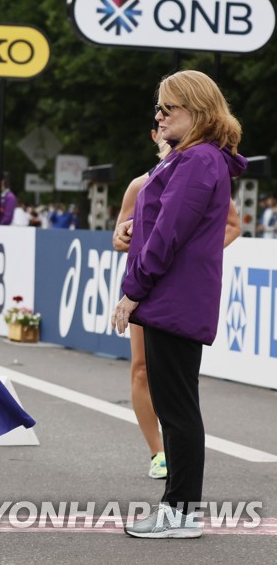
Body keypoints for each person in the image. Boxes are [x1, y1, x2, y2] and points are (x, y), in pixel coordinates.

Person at [113, 70, 246, 539]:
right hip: (172, 297)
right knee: (175, 407)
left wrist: (133, 291)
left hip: (174, 299)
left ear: (197, 109)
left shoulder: (197, 162)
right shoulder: (193, 159)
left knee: (178, 410)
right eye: (159, 108)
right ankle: (178, 509)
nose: (160, 116)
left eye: (168, 108)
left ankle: (181, 513)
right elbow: (161, 226)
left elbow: (170, 235)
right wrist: (131, 232)